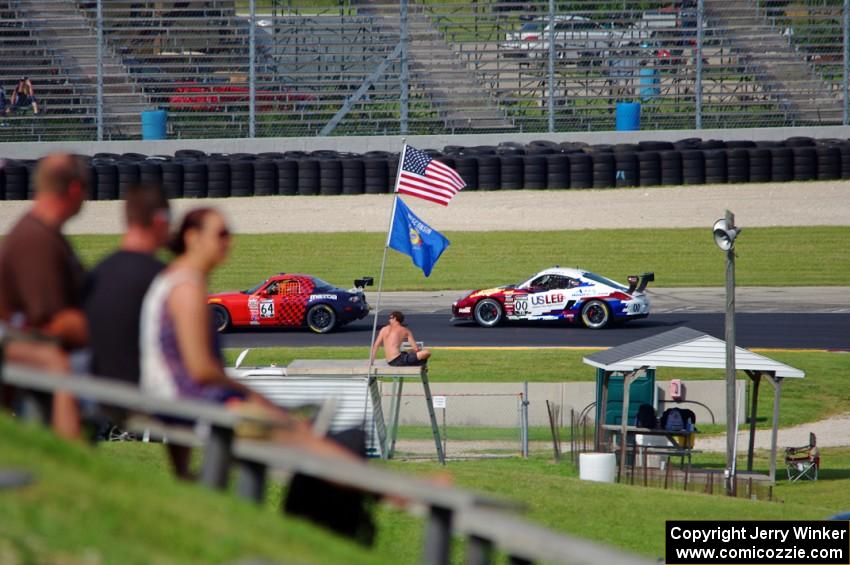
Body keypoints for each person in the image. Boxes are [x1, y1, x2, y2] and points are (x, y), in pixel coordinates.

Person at [139, 207, 356, 469]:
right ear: (192, 237)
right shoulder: (188, 288)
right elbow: (202, 370)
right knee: (299, 433)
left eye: (229, 234)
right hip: (185, 400)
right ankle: (375, 484)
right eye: (221, 234)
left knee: (295, 428)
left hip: (179, 397)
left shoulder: (175, 280)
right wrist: (256, 398)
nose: (228, 242)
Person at [0, 153, 91, 439]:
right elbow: (50, 321)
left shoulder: (43, 234)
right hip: (32, 355)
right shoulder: (35, 240)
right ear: (75, 189)